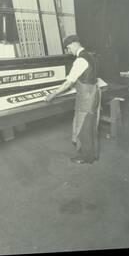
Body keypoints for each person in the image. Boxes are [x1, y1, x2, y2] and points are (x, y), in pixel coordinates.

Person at [46, 35, 101, 164]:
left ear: (74, 44)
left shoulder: (80, 60)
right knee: (91, 125)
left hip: (86, 97)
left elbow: (68, 83)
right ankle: (93, 154)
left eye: (68, 48)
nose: (68, 51)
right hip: (93, 93)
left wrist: (53, 95)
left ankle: (86, 157)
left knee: (83, 126)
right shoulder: (91, 55)